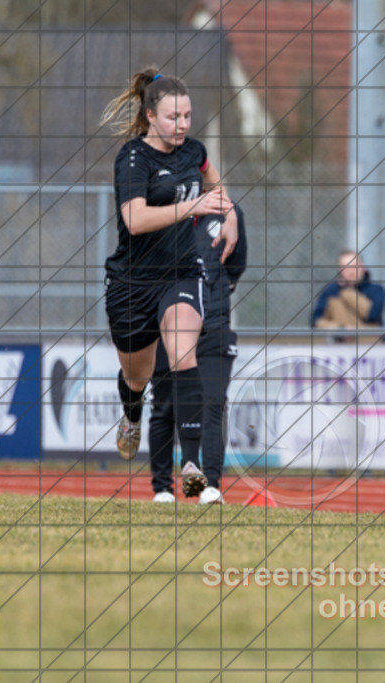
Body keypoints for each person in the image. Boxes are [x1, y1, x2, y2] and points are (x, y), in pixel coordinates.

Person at [100, 67, 238, 499]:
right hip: (131, 284)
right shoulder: (133, 159)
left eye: (187, 116)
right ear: (150, 116)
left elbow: (215, 181)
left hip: (181, 273)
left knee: (182, 353)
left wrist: (229, 213)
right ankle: (130, 412)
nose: (181, 125)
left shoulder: (193, 151)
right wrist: (194, 205)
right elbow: (135, 220)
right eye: (173, 118)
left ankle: (194, 465)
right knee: (137, 377)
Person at [148, 204, 248, 504]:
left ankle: (211, 484)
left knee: (213, 403)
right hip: (169, 325)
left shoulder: (229, 213)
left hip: (214, 326)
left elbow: (237, 265)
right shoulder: (160, 208)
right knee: (165, 405)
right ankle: (163, 489)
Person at [312, 250, 385, 336]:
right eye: (346, 267)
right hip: (338, 344)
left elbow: (372, 315)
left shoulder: (376, 290)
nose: (351, 272)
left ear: (363, 267)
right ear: (340, 270)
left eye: (355, 266)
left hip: (368, 342)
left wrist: (346, 291)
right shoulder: (330, 291)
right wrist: (341, 329)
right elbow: (315, 321)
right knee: (336, 304)